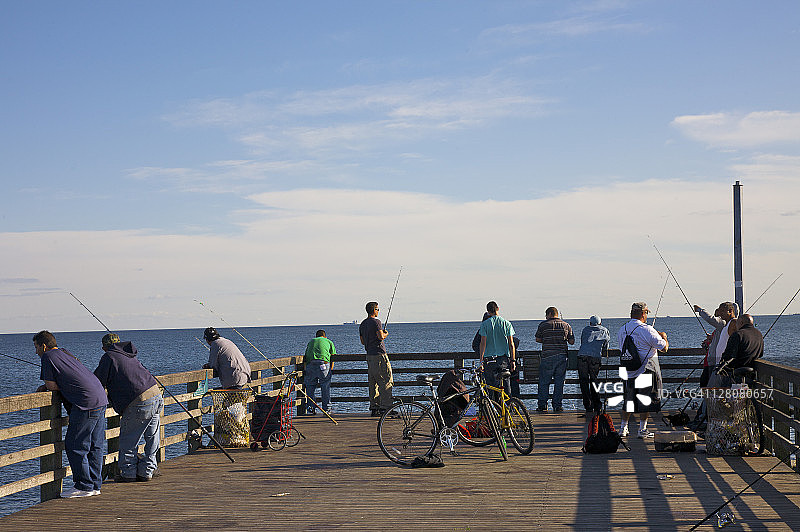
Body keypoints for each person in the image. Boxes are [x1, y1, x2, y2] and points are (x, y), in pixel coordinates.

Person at [34, 330, 108, 498]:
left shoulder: (47, 357)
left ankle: (84, 485)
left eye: (36, 347)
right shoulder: (65, 352)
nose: (36, 352)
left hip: (85, 403)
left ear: (44, 346)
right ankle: (95, 485)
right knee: (95, 445)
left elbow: (52, 386)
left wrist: (46, 387)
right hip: (100, 398)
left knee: (75, 445)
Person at [94, 333, 163, 482]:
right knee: (152, 437)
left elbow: (96, 381)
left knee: (129, 439)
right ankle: (147, 471)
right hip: (155, 394)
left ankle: (128, 473)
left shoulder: (109, 356)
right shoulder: (129, 354)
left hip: (139, 400)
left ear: (104, 347)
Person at [618, 302, 668, 439]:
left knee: (628, 400)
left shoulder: (622, 329)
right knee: (645, 401)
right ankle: (642, 429)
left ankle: (623, 428)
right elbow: (664, 348)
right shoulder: (647, 329)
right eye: (646, 313)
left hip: (628, 371)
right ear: (643, 314)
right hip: (645, 370)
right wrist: (663, 336)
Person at [535, 307, 574, 412]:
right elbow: (572, 341)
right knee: (559, 382)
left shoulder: (543, 325)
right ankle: (557, 405)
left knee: (544, 382)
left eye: (546, 315)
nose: (545, 317)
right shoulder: (566, 325)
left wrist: (547, 340)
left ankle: (542, 405)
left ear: (550, 314)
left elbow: (538, 339)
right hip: (562, 357)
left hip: (547, 356)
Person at [473, 310, 521, 398]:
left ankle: (493, 406)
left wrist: (482, 355)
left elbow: (476, 344)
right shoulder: (503, 324)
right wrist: (512, 358)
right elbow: (513, 342)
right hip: (504, 360)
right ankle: (508, 405)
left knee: (490, 386)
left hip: (489, 361)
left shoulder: (484, 327)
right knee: (507, 384)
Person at [359, 302, 393, 416]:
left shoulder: (363, 324)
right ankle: (386, 408)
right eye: (378, 309)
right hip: (379, 355)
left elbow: (362, 341)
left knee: (373, 382)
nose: (378, 311)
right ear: (374, 310)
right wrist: (385, 334)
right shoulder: (376, 322)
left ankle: (374, 407)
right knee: (386, 381)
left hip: (369, 356)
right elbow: (380, 336)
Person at [694, 302, 739, 387]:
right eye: (719, 312)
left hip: (719, 362)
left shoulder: (724, 324)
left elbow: (710, 319)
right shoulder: (723, 327)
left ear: (730, 311)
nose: (720, 314)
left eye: (722, 311)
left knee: (712, 386)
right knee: (708, 384)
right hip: (715, 361)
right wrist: (711, 338)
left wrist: (700, 310)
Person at [577, 315, 610, 417]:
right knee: (594, 381)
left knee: (583, 382)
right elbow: (606, 345)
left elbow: (583, 341)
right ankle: (597, 405)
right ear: (600, 323)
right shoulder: (604, 330)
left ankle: (588, 406)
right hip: (595, 357)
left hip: (582, 356)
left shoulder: (585, 329)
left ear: (590, 323)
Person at [303, 329, 336, 415]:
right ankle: (326, 409)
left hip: (311, 365)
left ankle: (311, 408)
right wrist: (330, 369)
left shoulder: (311, 341)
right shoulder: (328, 341)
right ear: (325, 336)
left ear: (316, 336)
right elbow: (333, 356)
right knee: (325, 387)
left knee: (310, 387)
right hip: (324, 364)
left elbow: (306, 355)